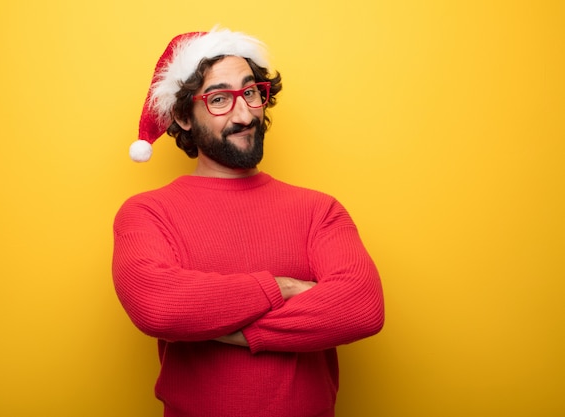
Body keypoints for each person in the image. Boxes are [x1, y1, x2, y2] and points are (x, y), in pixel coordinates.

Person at [112, 27, 385, 417]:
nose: (244, 114)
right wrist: (283, 286)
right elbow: (158, 306)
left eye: (251, 92)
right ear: (183, 116)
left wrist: (230, 330)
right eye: (220, 98)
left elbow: (362, 307)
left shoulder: (319, 209)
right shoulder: (148, 212)